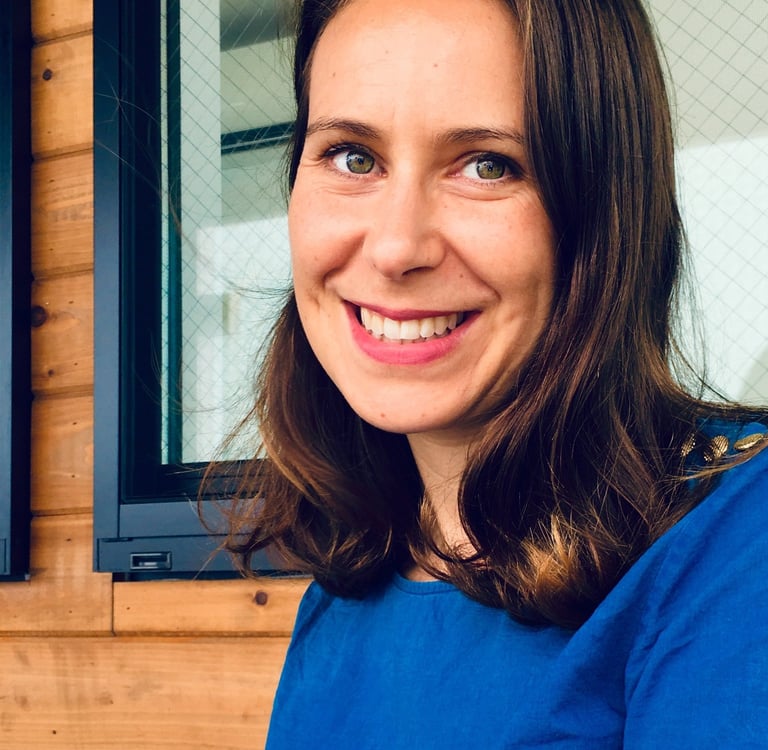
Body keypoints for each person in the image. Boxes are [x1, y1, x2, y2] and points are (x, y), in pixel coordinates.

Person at [219, 0, 768, 745]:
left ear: (603, 215)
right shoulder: (348, 583)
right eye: (353, 156)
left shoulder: (738, 537)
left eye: (488, 165)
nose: (395, 247)